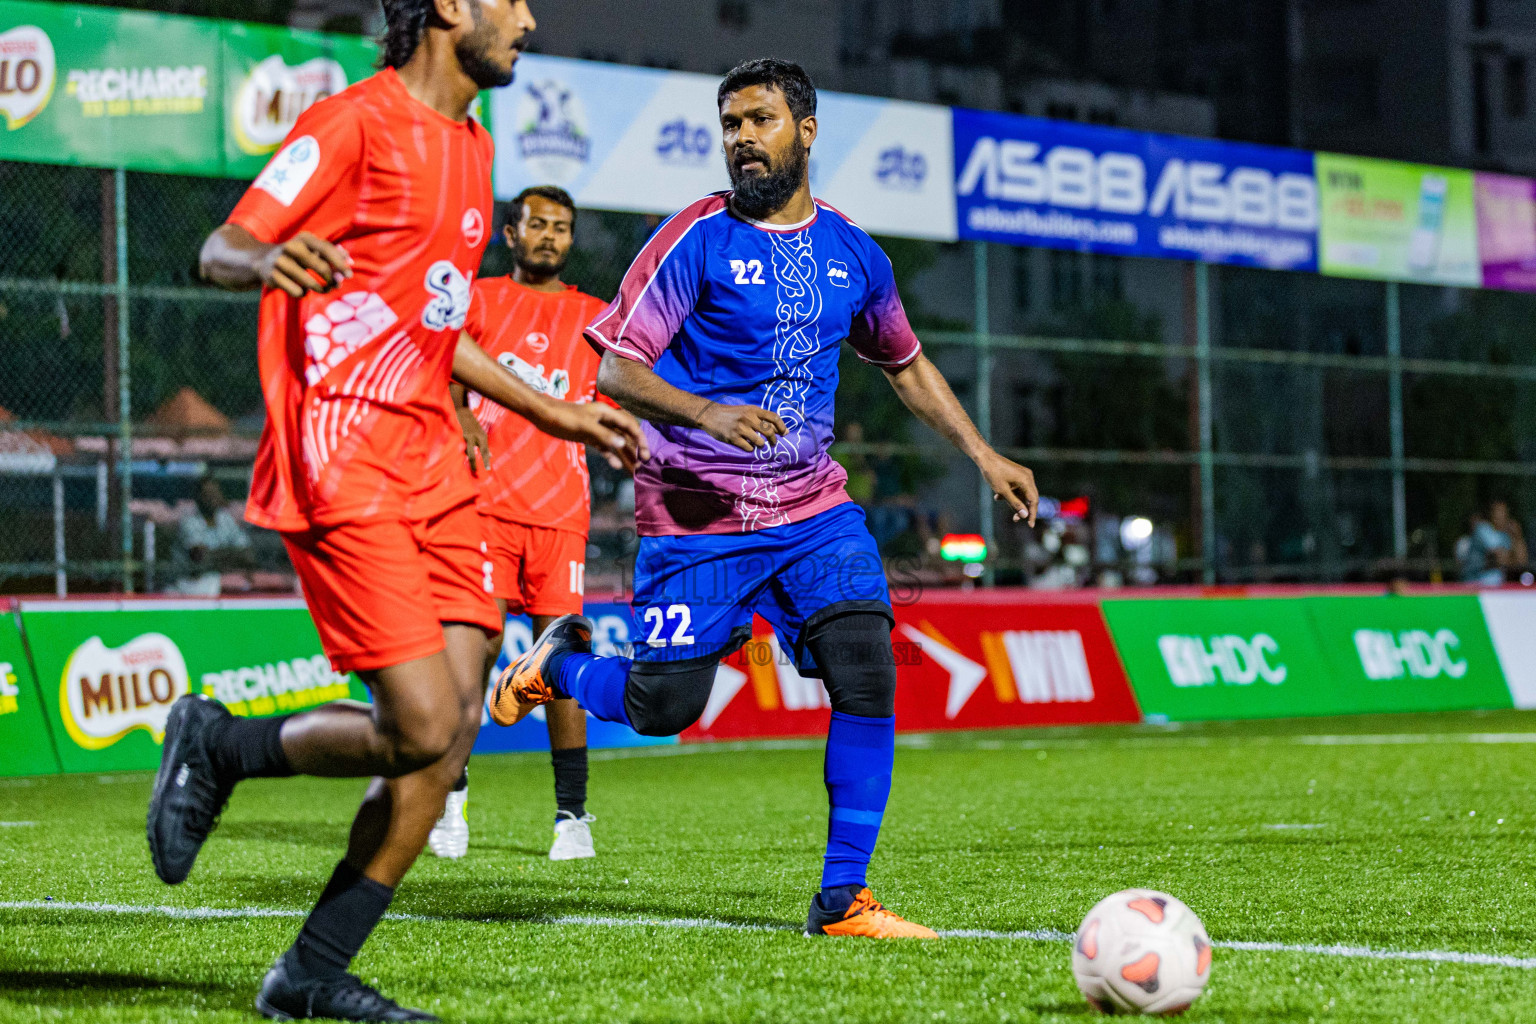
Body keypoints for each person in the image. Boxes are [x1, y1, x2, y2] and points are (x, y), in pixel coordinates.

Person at [153, 2, 645, 1020]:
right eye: (509, 0)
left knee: (451, 735)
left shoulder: (471, 145)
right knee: (421, 724)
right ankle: (221, 746)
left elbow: (441, 321)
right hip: (345, 456)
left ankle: (312, 972)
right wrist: (266, 260)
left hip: (438, 466)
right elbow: (223, 243)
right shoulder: (352, 122)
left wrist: (561, 412)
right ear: (449, 7)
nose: (530, 18)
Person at [489, 58, 1039, 939]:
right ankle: (550, 668)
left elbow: (903, 362)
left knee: (866, 670)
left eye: (760, 120)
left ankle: (843, 900)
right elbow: (616, 365)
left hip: (816, 514)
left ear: (806, 132)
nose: (742, 137)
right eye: (731, 122)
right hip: (698, 520)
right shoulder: (693, 238)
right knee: (660, 711)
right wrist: (706, 410)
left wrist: (982, 454)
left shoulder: (853, 250)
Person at [426, 185, 610, 862]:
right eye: (538, 224)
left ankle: (572, 818)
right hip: (484, 506)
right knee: (469, 658)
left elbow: (624, 388)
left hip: (562, 515)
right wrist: (462, 412)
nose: (550, 236)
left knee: (560, 664)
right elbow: (437, 366)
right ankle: (450, 805)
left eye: (562, 227)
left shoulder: (596, 319)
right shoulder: (477, 299)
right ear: (512, 232)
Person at [174, 473, 256, 596]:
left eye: (215, 493)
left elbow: (247, 554)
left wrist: (216, 555)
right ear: (198, 497)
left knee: (249, 582)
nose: (212, 498)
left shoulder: (226, 519)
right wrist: (232, 555)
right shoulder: (189, 522)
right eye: (207, 494)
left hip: (223, 578)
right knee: (229, 583)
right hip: (192, 584)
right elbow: (200, 559)